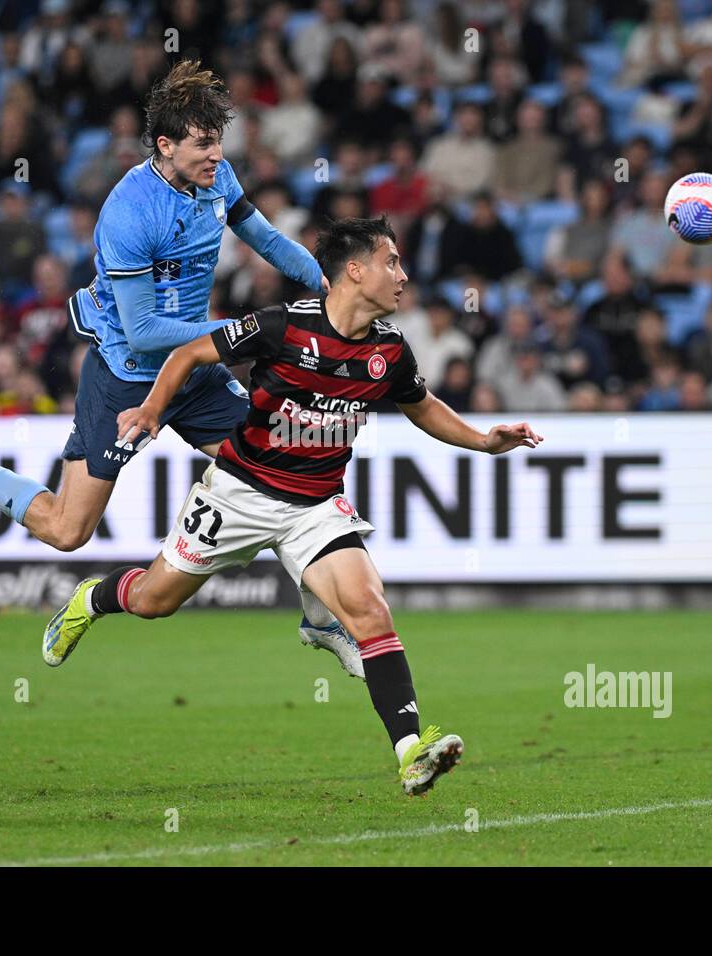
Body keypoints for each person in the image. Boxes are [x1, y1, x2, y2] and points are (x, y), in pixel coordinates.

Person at [0, 61, 360, 678]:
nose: (217, 155)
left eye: (219, 142)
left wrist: (326, 285)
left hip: (196, 368)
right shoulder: (128, 212)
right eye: (204, 144)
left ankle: (319, 621)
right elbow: (145, 331)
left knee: (288, 470)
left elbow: (264, 239)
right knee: (67, 530)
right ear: (166, 145)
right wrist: (248, 335)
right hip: (128, 371)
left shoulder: (217, 177)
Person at [42, 217, 540, 795]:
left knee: (371, 609)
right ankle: (93, 598)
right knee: (155, 601)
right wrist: (153, 409)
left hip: (315, 507)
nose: (403, 276)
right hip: (239, 493)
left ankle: (411, 750)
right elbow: (186, 356)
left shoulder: (389, 350)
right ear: (355, 271)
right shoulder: (281, 327)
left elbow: (422, 405)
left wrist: (484, 440)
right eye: (392, 262)